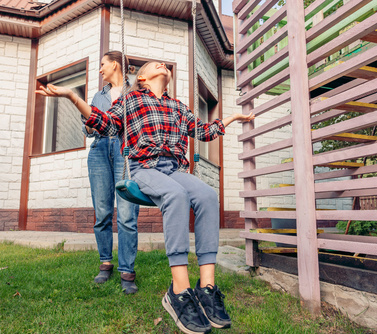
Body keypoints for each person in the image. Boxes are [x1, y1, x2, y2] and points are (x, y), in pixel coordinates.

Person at [36, 61, 255, 334]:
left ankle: (207, 288)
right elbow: (105, 123)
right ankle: (179, 290)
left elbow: (203, 131)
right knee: (176, 196)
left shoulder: (178, 107)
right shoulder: (132, 99)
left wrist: (231, 118)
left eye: (165, 64)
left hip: (174, 168)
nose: (162, 65)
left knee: (208, 196)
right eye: (155, 64)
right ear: (141, 77)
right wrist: (72, 97)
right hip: (144, 168)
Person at [83, 51, 140, 294]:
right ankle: (105, 263)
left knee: (127, 214)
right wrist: (88, 122)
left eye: (103, 64)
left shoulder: (136, 90)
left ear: (115, 64)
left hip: (124, 150)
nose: (100, 69)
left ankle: (127, 270)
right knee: (102, 212)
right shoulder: (99, 95)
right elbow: (88, 132)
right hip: (99, 150)